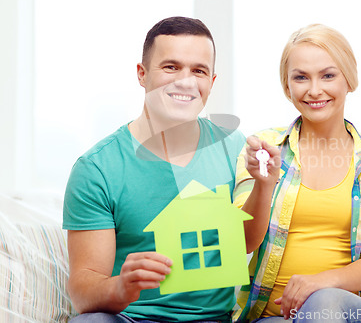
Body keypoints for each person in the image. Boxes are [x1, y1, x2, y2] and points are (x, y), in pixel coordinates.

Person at [63, 16, 246, 322]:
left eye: (198, 71)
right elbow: (83, 291)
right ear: (142, 74)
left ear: (211, 83)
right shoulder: (96, 169)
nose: (185, 82)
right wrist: (120, 286)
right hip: (132, 318)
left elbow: (250, 238)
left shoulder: (234, 147)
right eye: (171, 67)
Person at [233, 24, 361, 322]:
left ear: (349, 79)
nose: (314, 90)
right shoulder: (264, 149)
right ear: (287, 87)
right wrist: (264, 184)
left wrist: (321, 282)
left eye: (328, 75)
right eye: (301, 77)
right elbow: (242, 243)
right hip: (271, 317)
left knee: (322, 302)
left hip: (346, 311)